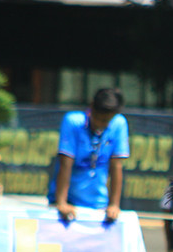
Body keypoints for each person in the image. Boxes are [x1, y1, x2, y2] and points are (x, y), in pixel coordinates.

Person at [48, 88, 130, 222]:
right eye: (98, 118)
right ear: (91, 107)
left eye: (107, 121)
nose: (101, 124)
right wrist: (61, 202)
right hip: (67, 202)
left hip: (98, 204)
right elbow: (65, 163)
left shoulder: (119, 123)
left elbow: (116, 166)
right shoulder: (73, 121)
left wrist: (114, 205)